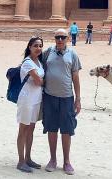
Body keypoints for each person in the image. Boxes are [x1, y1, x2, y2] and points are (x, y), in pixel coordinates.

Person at [42, 28, 82, 175]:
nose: (60, 40)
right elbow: (38, 66)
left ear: (68, 39)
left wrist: (78, 99)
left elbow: (76, 78)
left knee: (67, 130)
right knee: (51, 129)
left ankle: (67, 161)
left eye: (63, 37)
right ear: (54, 38)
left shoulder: (73, 54)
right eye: (57, 37)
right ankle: (53, 159)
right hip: (49, 96)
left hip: (66, 97)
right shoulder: (47, 52)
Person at [16, 37, 45, 173]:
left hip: (36, 99)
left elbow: (39, 80)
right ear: (29, 47)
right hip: (26, 99)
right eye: (35, 46)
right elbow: (39, 81)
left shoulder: (38, 62)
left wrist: (41, 80)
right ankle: (21, 161)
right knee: (23, 129)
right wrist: (46, 80)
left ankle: (28, 158)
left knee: (31, 129)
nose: (38, 48)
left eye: (40, 46)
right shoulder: (28, 62)